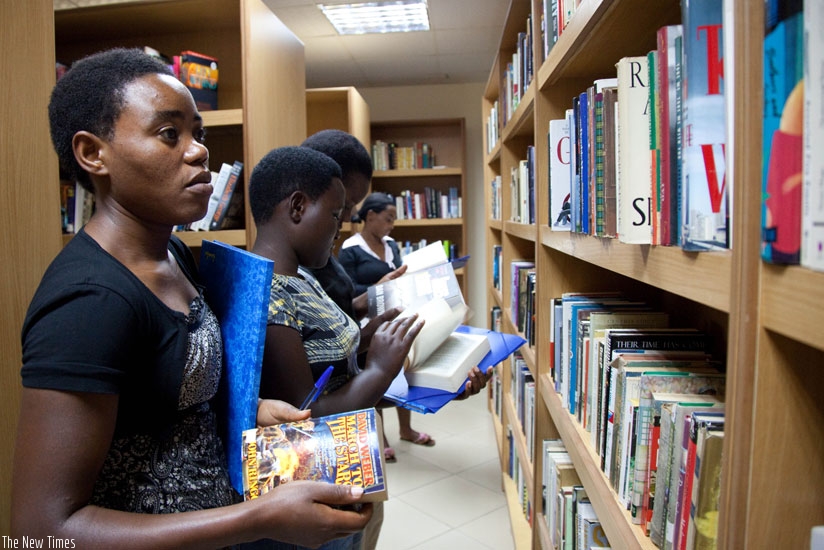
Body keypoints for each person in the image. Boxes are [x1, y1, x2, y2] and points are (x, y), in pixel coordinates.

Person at [11, 48, 372, 549]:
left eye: (197, 133)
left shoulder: (175, 254)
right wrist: (258, 520)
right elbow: (42, 532)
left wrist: (254, 408)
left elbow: (166, 403)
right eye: (168, 134)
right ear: (93, 154)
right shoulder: (89, 301)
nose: (199, 151)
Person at [247, 145, 425, 550]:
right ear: (296, 207)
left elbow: (322, 347)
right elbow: (305, 414)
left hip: (346, 464)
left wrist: (367, 336)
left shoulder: (303, 278)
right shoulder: (271, 292)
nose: (339, 227)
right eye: (333, 215)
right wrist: (379, 370)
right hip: (314, 479)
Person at [338, 192, 438, 455]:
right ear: (370, 216)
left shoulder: (392, 244)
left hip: (397, 315)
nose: (391, 225)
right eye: (387, 218)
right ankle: (380, 439)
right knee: (373, 376)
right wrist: (377, 287)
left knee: (401, 368)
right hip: (369, 323)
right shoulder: (350, 249)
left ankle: (406, 429)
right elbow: (346, 291)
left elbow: (400, 274)